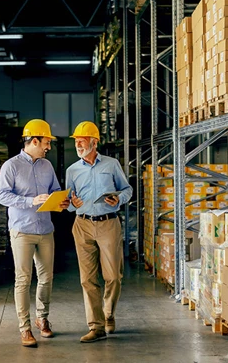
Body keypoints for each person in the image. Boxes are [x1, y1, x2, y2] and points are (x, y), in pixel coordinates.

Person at [0, 119, 70, 347]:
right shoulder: (11, 166)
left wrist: (61, 201)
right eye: (46, 142)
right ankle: (25, 328)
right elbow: (3, 196)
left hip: (45, 229)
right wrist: (31, 201)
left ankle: (42, 319)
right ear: (34, 140)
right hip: (22, 230)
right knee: (23, 279)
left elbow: (55, 190)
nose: (48, 147)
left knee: (46, 278)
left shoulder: (47, 166)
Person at [65, 121, 133, 343]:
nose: (78, 144)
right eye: (76, 141)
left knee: (113, 275)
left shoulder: (112, 165)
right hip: (82, 224)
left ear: (94, 142)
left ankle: (109, 313)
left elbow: (127, 189)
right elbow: (69, 202)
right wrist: (72, 203)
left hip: (108, 223)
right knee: (87, 279)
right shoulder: (72, 170)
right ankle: (96, 326)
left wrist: (118, 199)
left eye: (82, 140)